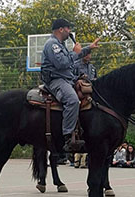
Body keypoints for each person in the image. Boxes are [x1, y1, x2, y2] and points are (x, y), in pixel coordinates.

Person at [41, 18, 100, 152]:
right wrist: (76, 52)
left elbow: (71, 57)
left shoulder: (60, 44)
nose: (69, 31)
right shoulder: (52, 44)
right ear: (61, 29)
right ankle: (67, 137)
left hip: (68, 79)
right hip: (56, 80)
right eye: (68, 28)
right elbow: (62, 63)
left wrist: (88, 48)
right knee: (72, 100)